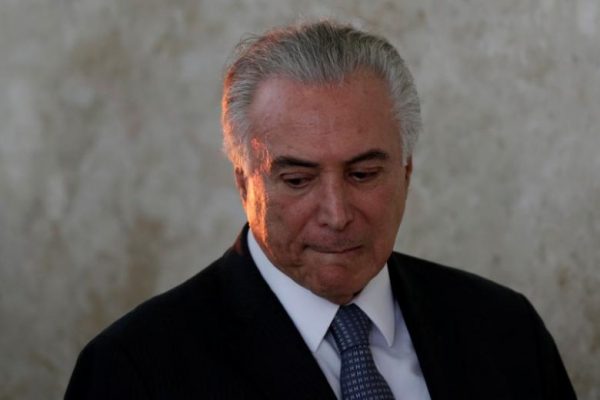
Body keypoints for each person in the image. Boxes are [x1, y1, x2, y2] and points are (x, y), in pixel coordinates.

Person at [65, 20, 576, 399]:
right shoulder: (136, 370)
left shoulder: (506, 331)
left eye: (363, 174)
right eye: (297, 179)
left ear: (407, 171)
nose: (336, 213)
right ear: (244, 183)